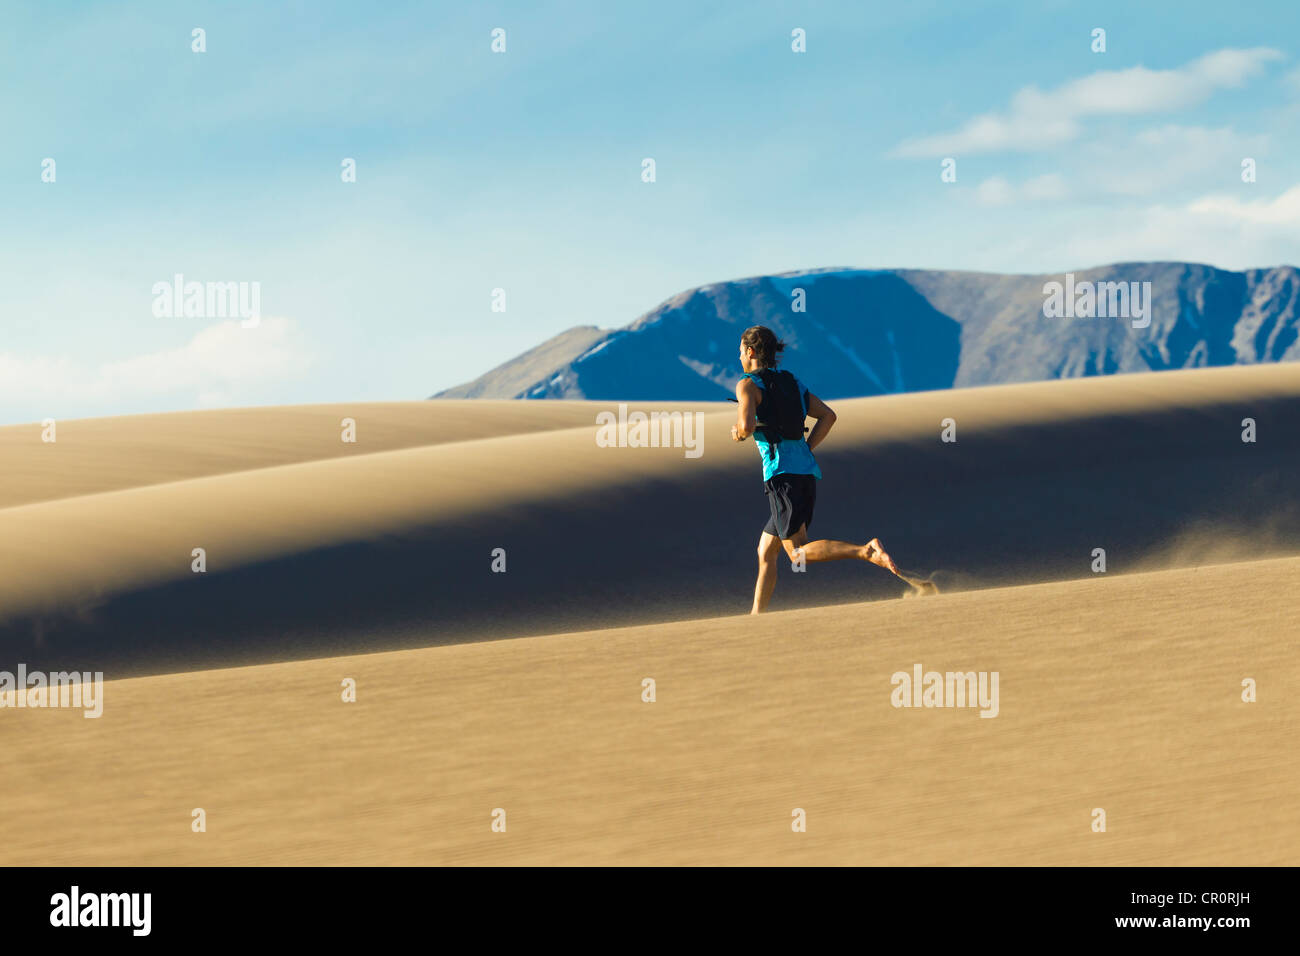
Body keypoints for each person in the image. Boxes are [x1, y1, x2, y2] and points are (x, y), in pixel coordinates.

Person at [730, 325, 900, 613]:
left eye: (740, 352)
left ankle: (865, 551)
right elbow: (828, 416)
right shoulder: (792, 382)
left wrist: (738, 432)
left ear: (750, 352)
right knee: (766, 550)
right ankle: (757, 617)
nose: (740, 357)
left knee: (797, 553)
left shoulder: (747, 384)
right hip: (806, 472)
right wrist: (806, 448)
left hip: (781, 476)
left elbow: (746, 427)